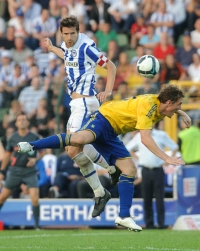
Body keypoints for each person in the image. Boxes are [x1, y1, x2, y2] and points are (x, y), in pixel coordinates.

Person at [18, 85, 191, 231]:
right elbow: (145, 139)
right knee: (79, 140)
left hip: (113, 132)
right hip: (104, 119)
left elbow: (167, 106)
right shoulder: (150, 107)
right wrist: (167, 157)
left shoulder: (159, 103)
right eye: (179, 104)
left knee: (130, 169)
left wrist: (182, 113)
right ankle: (33, 145)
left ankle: (124, 216)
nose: (179, 107)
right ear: (168, 102)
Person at [41, 16, 119, 204]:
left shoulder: (86, 47)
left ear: (78, 31)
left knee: (73, 148)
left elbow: (111, 66)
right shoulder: (66, 45)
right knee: (73, 149)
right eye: (66, 34)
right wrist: (52, 49)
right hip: (76, 104)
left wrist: (107, 91)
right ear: (61, 32)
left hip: (85, 102)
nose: (69, 37)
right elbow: (67, 56)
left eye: (72, 33)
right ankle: (110, 173)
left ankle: (104, 183)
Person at [125, 120, 178, 229]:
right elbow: (127, 148)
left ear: (154, 123)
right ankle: (149, 224)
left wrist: (168, 161)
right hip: (145, 170)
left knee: (160, 198)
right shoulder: (139, 136)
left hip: (158, 170)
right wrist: (138, 158)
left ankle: (161, 223)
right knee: (147, 198)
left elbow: (174, 147)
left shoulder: (161, 135)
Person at [0, 112, 42, 229]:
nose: (22, 121)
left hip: (30, 171)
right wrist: (2, 171)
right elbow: (7, 155)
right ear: (17, 123)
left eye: (24, 119)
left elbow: (42, 153)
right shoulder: (13, 138)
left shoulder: (34, 137)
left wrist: (35, 159)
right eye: (20, 120)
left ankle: (37, 226)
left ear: (28, 122)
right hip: (15, 171)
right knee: (2, 197)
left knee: (34, 198)